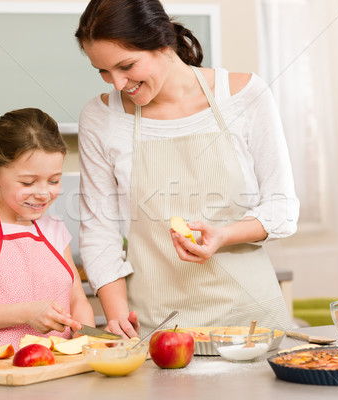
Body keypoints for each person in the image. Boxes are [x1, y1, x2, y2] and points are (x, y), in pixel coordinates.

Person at [75, 0, 299, 338]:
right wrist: (118, 317)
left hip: (251, 324)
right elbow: (99, 233)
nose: (117, 83)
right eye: (104, 71)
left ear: (163, 44)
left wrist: (223, 235)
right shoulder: (100, 117)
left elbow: (282, 208)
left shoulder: (245, 95)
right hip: (158, 329)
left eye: (127, 66)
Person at [0, 108, 94, 357]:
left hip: (61, 372)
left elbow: (77, 299)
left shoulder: (53, 227)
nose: (43, 192)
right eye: (28, 182)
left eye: (53, 181)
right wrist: (27, 313)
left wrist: (84, 334)